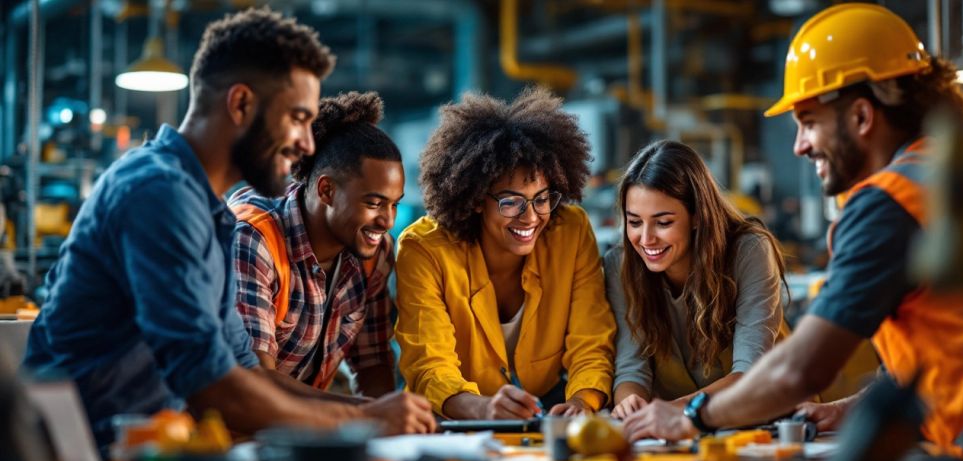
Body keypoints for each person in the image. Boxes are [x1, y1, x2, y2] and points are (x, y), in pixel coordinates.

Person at [23, 9, 399, 452]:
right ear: (240, 104)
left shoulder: (210, 213)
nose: (307, 144)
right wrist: (359, 420)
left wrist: (361, 415)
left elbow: (245, 371)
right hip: (81, 460)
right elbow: (212, 387)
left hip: (147, 453)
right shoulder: (159, 192)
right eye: (297, 118)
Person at [623, 3, 963, 455]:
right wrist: (847, 408)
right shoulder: (951, 174)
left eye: (809, 123)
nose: (798, 146)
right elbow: (944, 352)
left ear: (860, 117)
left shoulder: (889, 203)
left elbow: (800, 372)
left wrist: (692, 416)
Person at [395, 88, 615, 419]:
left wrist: (583, 403)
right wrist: (482, 409)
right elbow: (429, 364)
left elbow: (591, 339)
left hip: (548, 404)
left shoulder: (570, 230)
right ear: (476, 199)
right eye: (511, 201)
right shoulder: (423, 249)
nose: (530, 217)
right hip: (453, 415)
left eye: (542, 198)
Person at [229, 91, 434, 433]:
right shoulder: (253, 238)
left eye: (394, 205)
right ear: (326, 191)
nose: (386, 220)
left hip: (304, 432)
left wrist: (396, 428)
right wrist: (369, 414)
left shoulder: (374, 251)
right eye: (374, 203)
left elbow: (373, 360)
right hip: (221, 435)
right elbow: (256, 380)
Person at [607, 140, 787, 420]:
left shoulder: (749, 250)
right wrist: (630, 402)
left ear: (696, 216)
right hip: (672, 430)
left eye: (663, 222)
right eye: (634, 222)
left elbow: (751, 372)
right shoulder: (620, 264)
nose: (645, 239)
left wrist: (675, 410)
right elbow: (631, 368)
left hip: (763, 418)